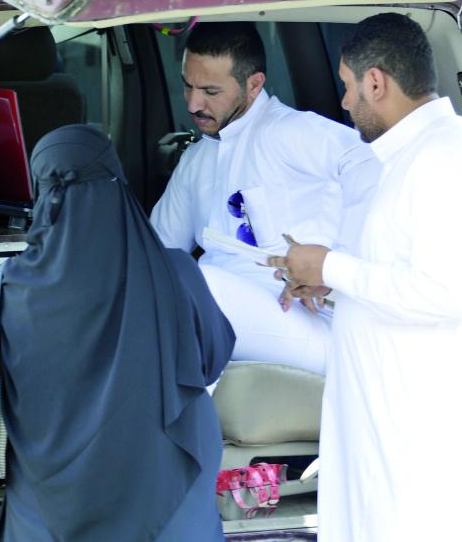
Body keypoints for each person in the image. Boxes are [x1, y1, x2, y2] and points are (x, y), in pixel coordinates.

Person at [268, 13, 462, 540]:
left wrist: (330, 266)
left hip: (423, 452)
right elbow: (399, 274)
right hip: (390, 438)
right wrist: (331, 281)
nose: (344, 102)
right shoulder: (412, 156)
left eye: (347, 86)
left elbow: (443, 293)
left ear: (376, 82)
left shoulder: (446, 158)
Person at [0, 124, 235, 542]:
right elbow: (212, 359)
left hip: (47, 510)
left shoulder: (8, 286)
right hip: (168, 495)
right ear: (118, 183)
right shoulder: (176, 272)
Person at [149, 22, 379, 375]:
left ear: (254, 85)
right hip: (219, 314)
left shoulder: (290, 129)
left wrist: (336, 266)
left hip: (306, 318)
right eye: (188, 86)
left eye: (210, 91)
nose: (193, 103)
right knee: (163, 282)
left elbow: (372, 167)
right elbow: (157, 253)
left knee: (198, 285)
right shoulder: (195, 159)